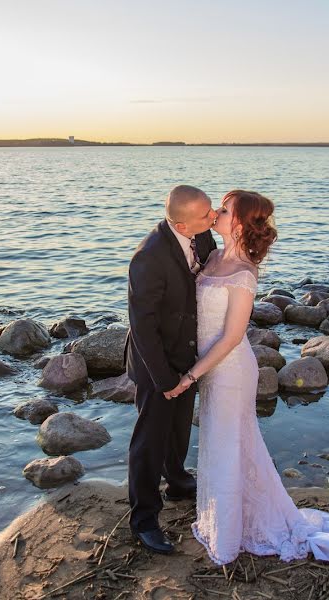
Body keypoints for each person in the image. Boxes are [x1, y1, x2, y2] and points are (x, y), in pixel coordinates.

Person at [172, 189, 329, 567]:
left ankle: (230, 537)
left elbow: (229, 337)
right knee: (221, 442)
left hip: (228, 370)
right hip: (211, 368)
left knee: (230, 443)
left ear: (240, 223)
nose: (216, 213)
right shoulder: (211, 254)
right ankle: (226, 520)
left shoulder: (244, 273)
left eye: (224, 210)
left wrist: (190, 376)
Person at [124, 184, 218, 555]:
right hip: (156, 364)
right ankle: (143, 520)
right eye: (205, 215)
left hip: (189, 355)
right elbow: (142, 326)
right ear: (181, 225)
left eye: (211, 212)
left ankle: (177, 480)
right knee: (149, 441)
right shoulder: (148, 257)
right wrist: (165, 380)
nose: (213, 218)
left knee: (179, 427)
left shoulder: (201, 233)